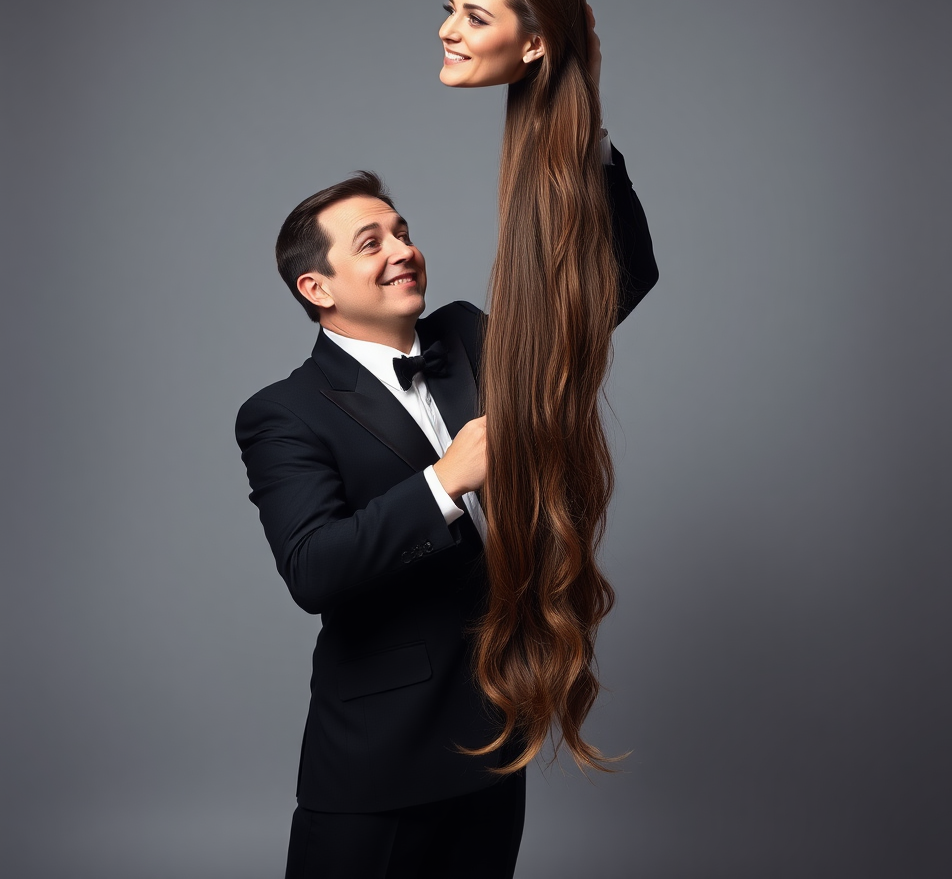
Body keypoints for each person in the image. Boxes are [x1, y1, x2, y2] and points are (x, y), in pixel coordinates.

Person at [234, 129, 656, 873]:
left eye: (403, 231)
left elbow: (609, 285)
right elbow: (312, 567)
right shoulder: (283, 412)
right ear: (317, 287)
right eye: (372, 242)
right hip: (376, 769)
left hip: (493, 744)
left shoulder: (469, 335)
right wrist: (442, 482)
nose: (402, 249)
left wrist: (584, 134)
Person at [438, 0, 633, 772]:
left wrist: (589, 112)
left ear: (535, 41)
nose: (448, 28)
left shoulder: (567, 169)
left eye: (473, 15)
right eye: (448, 8)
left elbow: (627, 275)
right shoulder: (543, 152)